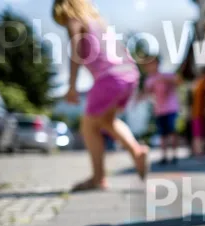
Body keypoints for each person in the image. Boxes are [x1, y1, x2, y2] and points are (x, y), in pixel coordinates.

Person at [53, 0, 148, 191]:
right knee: (106, 121)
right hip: (129, 73)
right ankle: (136, 151)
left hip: (109, 78)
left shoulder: (74, 19)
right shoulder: (97, 20)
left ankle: (98, 178)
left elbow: (76, 51)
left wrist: (72, 86)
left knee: (88, 127)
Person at [143, 57, 180, 165]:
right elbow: (148, 92)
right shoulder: (149, 79)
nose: (150, 67)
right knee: (162, 134)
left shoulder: (166, 75)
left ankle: (174, 155)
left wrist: (164, 79)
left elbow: (178, 81)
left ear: (157, 64)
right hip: (159, 110)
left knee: (172, 131)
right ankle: (164, 156)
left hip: (171, 108)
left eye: (152, 64)